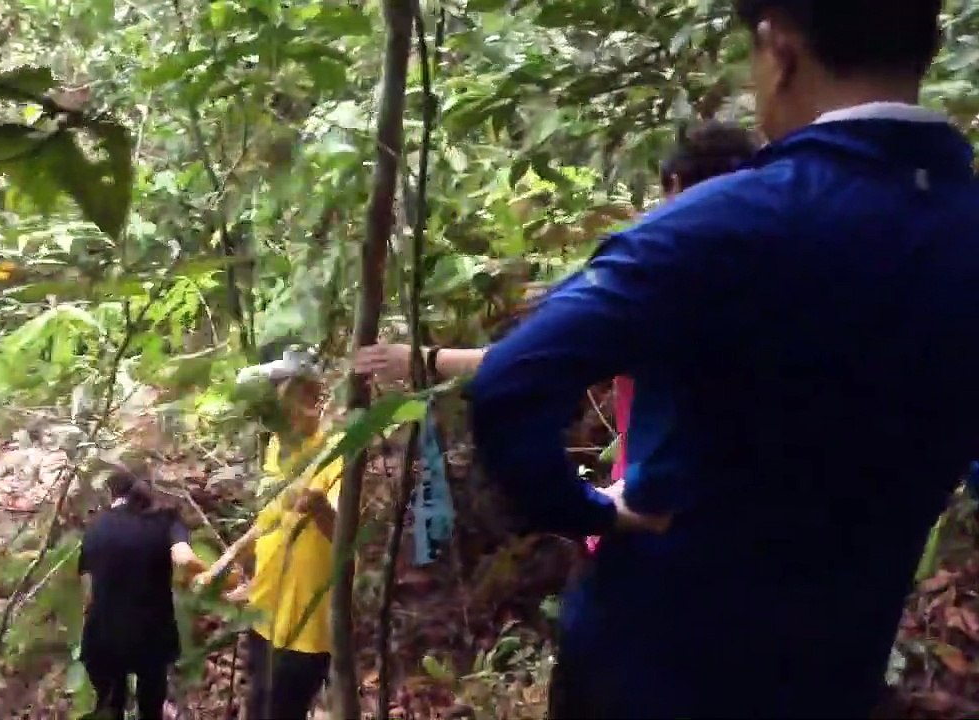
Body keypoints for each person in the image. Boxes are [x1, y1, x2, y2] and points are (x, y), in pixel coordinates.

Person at [467, 1, 979, 717]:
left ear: (779, 51)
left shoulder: (719, 225)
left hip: (653, 664)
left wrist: (587, 510)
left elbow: (512, 382)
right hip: (833, 669)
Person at [355, 120, 759, 492]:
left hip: (666, 507)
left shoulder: (657, 280)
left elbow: (526, 361)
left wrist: (424, 358)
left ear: (673, 186)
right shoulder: (784, 262)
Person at [198, 349, 342, 720]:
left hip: (305, 626)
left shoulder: (337, 452)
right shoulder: (278, 447)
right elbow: (268, 519)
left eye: (279, 390)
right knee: (256, 706)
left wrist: (316, 504)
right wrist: (228, 560)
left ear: (305, 395)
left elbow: (346, 536)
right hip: (264, 614)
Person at [77, 460, 207, 720]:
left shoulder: (95, 529)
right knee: (151, 707)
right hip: (151, 636)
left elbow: (88, 593)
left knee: (111, 705)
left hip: (104, 635)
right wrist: (221, 578)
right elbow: (184, 558)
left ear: (111, 492)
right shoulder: (166, 521)